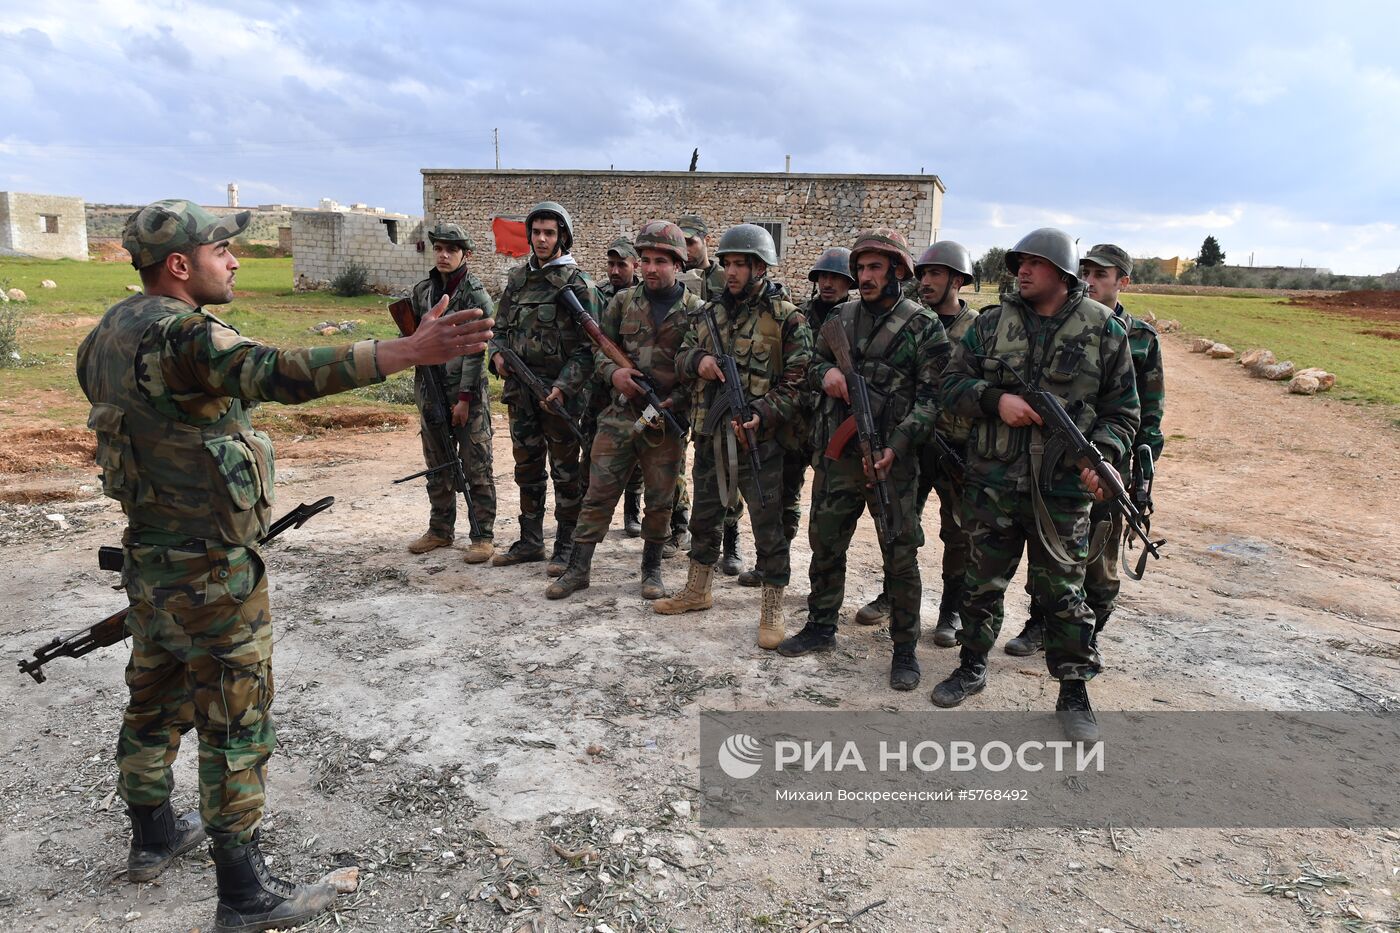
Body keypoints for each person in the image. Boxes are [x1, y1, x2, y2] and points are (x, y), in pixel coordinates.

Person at [79, 200, 491, 932]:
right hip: (211, 566)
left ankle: (152, 834)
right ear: (180, 265)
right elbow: (277, 370)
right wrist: (401, 353)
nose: (233, 259)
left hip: (150, 556)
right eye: (220, 251)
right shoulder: (185, 335)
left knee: (154, 690)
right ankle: (243, 893)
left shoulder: (106, 333)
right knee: (235, 719)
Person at [930, 228, 1140, 742]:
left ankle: (1074, 690)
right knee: (981, 587)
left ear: (1063, 274)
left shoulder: (1104, 331)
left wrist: (1105, 456)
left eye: (1035, 264)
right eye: (1018, 262)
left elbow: (1123, 412)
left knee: (1064, 596)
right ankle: (971, 665)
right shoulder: (990, 326)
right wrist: (993, 401)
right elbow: (949, 385)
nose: (1021, 270)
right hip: (992, 483)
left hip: (1063, 493)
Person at [778, 229, 949, 692]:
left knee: (900, 553)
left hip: (893, 460)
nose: (865, 276)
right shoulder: (839, 317)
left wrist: (897, 445)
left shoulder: (922, 326)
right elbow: (808, 367)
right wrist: (828, 373)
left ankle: (905, 649)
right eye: (861, 268)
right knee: (826, 541)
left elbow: (933, 399)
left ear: (898, 271)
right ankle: (820, 625)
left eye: (876, 268)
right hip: (838, 456)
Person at [655, 223, 812, 652]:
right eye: (727, 263)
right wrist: (700, 361)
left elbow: (801, 382)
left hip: (761, 442)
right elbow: (682, 355)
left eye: (741, 264)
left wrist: (762, 412)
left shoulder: (787, 318)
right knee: (705, 515)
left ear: (761, 267)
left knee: (768, 524)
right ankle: (697, 590)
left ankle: (772, 606)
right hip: (711, 434)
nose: (732, 272)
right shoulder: (709, 314)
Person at [546, 221, 700, 601]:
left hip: (664, 420)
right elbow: (599, 348)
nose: (650, 268)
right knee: (598, 492)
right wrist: (615, 374)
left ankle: (651, 570)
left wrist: (676, 401)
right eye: (645, 259)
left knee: (661, 499)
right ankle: (578, 568)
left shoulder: (697, 311)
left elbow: (700, 366)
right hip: (619, 415)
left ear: (678, 264)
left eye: (660, 261)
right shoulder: (622, 302)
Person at [855, 241, 977, 649]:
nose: (925, 282)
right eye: (922, 274)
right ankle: (893, 595)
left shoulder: (977, 327)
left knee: (958, 532)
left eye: (936, 275)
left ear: (957, 280)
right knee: (898, 523)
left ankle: (951, 610)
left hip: (955, 444)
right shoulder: (908, 320)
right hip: (910, 441)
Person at [488, 201, 602, 577]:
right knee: (527, 468)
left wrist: (564, 388)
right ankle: (530, 541)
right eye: (536, 232)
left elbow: (590, 348)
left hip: (559, 399)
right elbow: (499, 331)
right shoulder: (517, 281)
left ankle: (566, 545)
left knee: (566, 473)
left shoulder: (577, 284)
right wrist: (498, 358)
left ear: (562, 237)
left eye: (549, 233)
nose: (541, 239)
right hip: (521, 394)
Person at [736, 247, 852, 587]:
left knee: (828, 507)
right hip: (791, 421)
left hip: (834, 426)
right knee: (780, 496)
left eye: (836, 278)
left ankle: (825, 583)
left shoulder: (853, 321)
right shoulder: (795, 315)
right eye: (823, 277)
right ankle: (770, 563)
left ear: (849, 283)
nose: (828, 284)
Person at [1078, 244, 1165, 632]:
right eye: (1086, 273)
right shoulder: (1073, 324)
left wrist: (1141, 473)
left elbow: (1149, 411)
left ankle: (1094, 624)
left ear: (1122, 282)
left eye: (1100, 275)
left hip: (1114, 459)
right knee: (1055, 544)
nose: (1089, 282)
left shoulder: (1141, 338)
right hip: (1067, 454)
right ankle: (1040, 623)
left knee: (1101, 545)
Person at [404, 222, 497, 563]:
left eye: (451, 250)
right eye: (439, 249)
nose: (443, 255)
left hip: (465, 395)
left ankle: (482, 535)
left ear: (464, 254)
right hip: (430, 389)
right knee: (438, 464)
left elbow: (477, 350)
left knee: (476, 465)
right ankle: (440, 530)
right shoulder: (422, 291)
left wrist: (464, 399)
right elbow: (413, 340)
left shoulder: (476, 295)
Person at [678, 212, 745, 574]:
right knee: (688, 467)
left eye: (691, 241)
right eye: (682, 242)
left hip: (725, 388)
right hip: (689, 389)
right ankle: (684, 530)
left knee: (729, 468)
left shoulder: (724, 278)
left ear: (705, 239)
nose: (687, 249)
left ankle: (731, 541)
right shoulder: (678, 277)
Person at [588, 237, 644, 533]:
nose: (614, 270)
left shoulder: (644, 296)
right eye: (610, 264)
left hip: (634, 386)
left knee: (637, 445)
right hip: (600, 385)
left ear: (635, 265)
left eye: (621, 264)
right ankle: (593, 515)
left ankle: (633, 509)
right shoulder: (597, 294)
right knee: (594, 448)